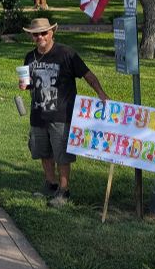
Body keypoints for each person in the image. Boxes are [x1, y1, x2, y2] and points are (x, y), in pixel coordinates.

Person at [19, 17, 108, 207]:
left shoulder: (66, 54)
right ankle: (50, 185)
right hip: (38, 115)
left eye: (44, 33)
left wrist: (100, 93)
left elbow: (88, 75)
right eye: (36, 34)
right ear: (31, 36)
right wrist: (23, 85)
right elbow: (27, 84)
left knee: (62, 155)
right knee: (43, 153)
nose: (40, 37)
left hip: (62, 115)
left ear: (52, 32)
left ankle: (64, 191)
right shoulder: (30, 57)